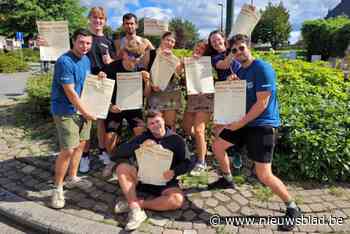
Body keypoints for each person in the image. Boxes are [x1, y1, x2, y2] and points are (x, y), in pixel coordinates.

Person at [209, 34, 301, 231]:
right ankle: (227, 179)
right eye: (234, 50)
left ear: (248, 47)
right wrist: (224, 121)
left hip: (262, 124)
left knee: (264, 174)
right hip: (244, 122)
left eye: (241, 48)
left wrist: (239, 123)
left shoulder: (262, 68)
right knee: (217, 146)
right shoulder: (241, 72)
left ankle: (292, 206)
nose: (239, 52)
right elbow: (236, 101)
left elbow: (262, 103)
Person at [50, 28, 107, 209]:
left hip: (83, 109)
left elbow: (86, 81)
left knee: (81, 144)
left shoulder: (86, 59)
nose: (85, 46)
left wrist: (98, 77)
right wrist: (87, 112)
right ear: (73, 41)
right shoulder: (64, 61)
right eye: (81, 42)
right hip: (66, 110)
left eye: (88, 43)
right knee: (68, 149)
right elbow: (71, 93)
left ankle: (72, 177)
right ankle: (57, 188)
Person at [111, 111, 191, 231]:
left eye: (157, 121)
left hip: (164, 182)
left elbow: (187, 163)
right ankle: (136, 212)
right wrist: (140, 145)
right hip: (142, 179)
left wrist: (174, 172)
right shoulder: (143, 137)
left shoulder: (176, 140)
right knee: (121, 168)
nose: (155, 125)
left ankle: (135, 205)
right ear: (147, 126)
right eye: (151, 123)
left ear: (163, 120)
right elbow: (117, 153)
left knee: (177, 200)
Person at [80, 7, 117, 173]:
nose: (98, 21)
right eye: (95, 18)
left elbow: (115, 63)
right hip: (85, 84)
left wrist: (110, 62)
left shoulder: (108, 40)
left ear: (105, 21)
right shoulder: (84, 37)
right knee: (85, 122)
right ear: (89, 19)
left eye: (101, 18)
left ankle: (102, 151)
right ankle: (85, 156)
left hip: (103, 85)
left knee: (101, 120)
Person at [101, 38, 151, 158]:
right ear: (124, 53)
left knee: (142, 133)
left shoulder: (141, 71)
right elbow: (101, 90)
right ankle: (113, 159)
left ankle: (135, 157)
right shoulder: (111, 68)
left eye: (137, 55)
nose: (133, 58)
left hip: (133, 108)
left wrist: (148, 81)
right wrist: (109, 106)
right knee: (109, 138)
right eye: (130, 54)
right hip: (115, 107)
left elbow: (147, 95)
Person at [207, 29, 243, 169]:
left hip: (238, 90)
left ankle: (236, 152)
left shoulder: (237, 49)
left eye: (218, 39)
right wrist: (232, 52)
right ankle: (220, 152)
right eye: (213, 41)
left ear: (224, 39)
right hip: (223, 92)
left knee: (237, 123)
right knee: (220, 125)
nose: (216, 42)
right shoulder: (215, 57)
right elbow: (224, 65)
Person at [181, 40, 213, 175]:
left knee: (199, 130)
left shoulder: (209, 61)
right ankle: (202, 145)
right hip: (193, 98)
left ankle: (201, 162)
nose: (199, 49)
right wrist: (184, 64)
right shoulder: (189, 60)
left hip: (206, 98)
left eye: (203, 48)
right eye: (198, 47)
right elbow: (180, 76)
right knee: (186, 127)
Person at [145, 31, 183, 132]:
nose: (170, 43)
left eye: (172, 42)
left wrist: (181, 63)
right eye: (168, 40)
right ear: (162, 40)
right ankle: (156, 147)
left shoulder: (175, 59)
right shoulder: (150, 54)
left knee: (170, 125)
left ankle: (170, 146)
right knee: (155, 124)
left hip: (170, 93)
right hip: (154, 93)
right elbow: (143, 71)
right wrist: (151, 83)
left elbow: (178, 74)